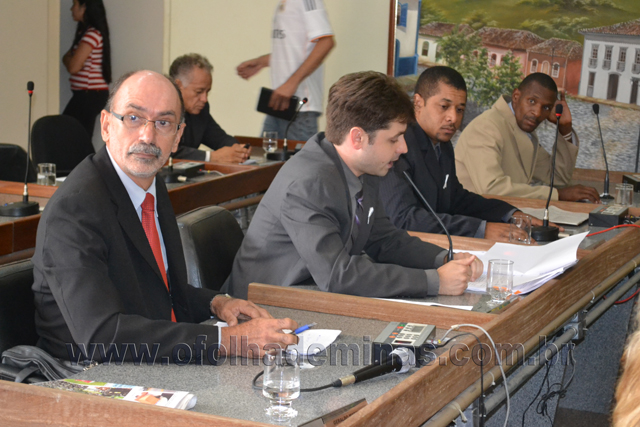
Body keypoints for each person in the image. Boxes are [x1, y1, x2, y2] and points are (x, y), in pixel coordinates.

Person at [32, 70, 297, 364]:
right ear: (107, 125)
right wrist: (229, 341)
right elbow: (101, 337)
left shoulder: (150, 184)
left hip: (150, 360)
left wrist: (217, 303)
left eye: (163, 123)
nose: (148, 135)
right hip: (86, 377)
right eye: (133, 118)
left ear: (177, 136)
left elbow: (159, 292)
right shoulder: (74, 211)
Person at [225, 71, 483, 300]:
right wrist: (434, 282)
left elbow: (385, 240)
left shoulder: (361, 168)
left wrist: (445, 259)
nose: (403, 149)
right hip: (261, 309)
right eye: (394, 139)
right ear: (358, 138)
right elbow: (338, 275)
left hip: (309, 296)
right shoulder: (308, 183)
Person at [380, 66, 547, 242]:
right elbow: (403, 218)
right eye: (444, 106)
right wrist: (480, 230)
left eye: (459, 109)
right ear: (418, 102)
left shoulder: (442, 146)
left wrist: (510, 214)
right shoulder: (399, 145)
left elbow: (457, 199)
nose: (453, 118)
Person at [455, 73, 600, 203]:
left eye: (546, 108)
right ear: (516, 97)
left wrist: (565, 129)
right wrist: (556, 195)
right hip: (473, 224)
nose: (537, 113)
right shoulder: (486, 127)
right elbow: (491, 189)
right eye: (532, 101)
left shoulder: (523, 131)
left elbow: (557, 179)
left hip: (507, 217)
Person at [236, 0, 335, 141]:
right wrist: (261, 62)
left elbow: (326, 42)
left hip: (300, 109)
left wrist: (291, 84)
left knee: (299, 162)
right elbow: (295, 52)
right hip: (278, 103)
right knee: (263, 159)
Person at [169, 53, 251, 163]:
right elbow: (168, 151)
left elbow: (219, 138)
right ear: (178, 86)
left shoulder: (201, 109)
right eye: (199, 92)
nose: (204, 99)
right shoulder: (160, 111)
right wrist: (211, 157)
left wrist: (238, 149)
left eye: (207, 92)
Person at [62, 0, 111, 138]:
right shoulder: (86, 33)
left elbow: (73, 67)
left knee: (71, 134)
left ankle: (84, 160)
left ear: (84, 7)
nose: (72, 9)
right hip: (87, 94)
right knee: (76, 136)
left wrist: (71, 59)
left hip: (89, 94)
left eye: (74, 4)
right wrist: (69, 59)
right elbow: (67, 59)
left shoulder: (92, 34)